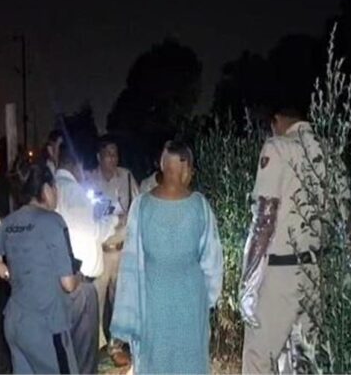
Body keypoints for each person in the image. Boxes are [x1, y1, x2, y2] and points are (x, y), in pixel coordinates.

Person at [111, 140, 224, 374]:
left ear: (163, 166)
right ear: (186, 168)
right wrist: (208, 300)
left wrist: (129, 313)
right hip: (190, 306)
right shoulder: (200, 207)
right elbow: (213, 264)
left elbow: (131, 262)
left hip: (153, 306)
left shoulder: (141, 206)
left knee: (156, 363)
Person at [240, 107, 324, 374]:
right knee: (303, 360)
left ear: (276, 120)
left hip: (281, 272)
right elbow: (348, 219)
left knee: (258, 358)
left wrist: (248, 282)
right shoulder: (328, 151)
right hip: (317, 271)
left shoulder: (277, 147)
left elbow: (264, 219)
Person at [0, 160, 80, 374]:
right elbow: (68, 284)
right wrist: (80, 276)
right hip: (47, 325)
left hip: (16, 323)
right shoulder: (53, 221)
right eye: (54, 187)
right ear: (46, 189)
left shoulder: (10, 222)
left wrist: (8, 273)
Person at [55, 143, 118, 374]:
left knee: (66, 350)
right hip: (80, 283)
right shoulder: (75, 192)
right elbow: (93, 232)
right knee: (84, 354)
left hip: (59, 280)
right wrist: (112, 221)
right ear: (77, 165)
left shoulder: (51, 187)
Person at [85, 135, 138, 366]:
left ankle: (116, 346)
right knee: (96, 302)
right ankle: (96, 347)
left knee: (120, 302)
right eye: (108, 154)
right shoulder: (90, 179)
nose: (113, 159)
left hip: (122, 250)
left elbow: (138, 205)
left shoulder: (126, 177)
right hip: (100, 251)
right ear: (99, 157)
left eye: (115, 154)